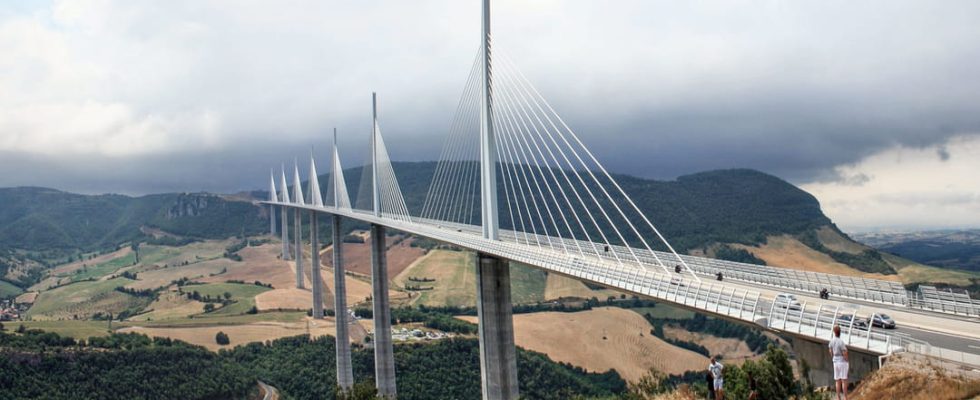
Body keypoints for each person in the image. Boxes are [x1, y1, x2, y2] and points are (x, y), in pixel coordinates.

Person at [829, 325, 849, 400]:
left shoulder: (831, 341)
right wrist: (846, 359)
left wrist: (833, 357)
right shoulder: (841, 342)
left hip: (835, 362)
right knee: (844, 380)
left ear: (834, 332)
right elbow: (844, 352)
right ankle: (846, 397)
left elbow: (830, 350)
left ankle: (838, 397)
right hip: (842, 361)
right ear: (840, 332)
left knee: (837, 380)